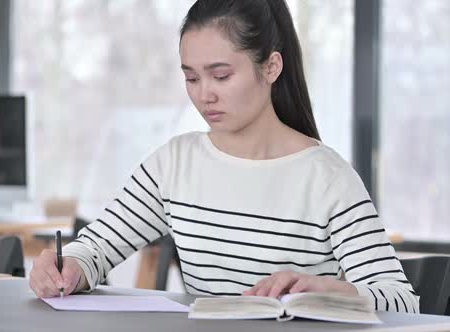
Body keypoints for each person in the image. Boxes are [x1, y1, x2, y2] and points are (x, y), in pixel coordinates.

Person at [29, 0, 419, 313]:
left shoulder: (327, 178)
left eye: (221, 76)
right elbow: (95, 248)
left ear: (271, 66)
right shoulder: (174, 164)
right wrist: (70, 268)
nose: (204, 95)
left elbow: (402, 300)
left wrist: (332, 291)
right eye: (192, 78)